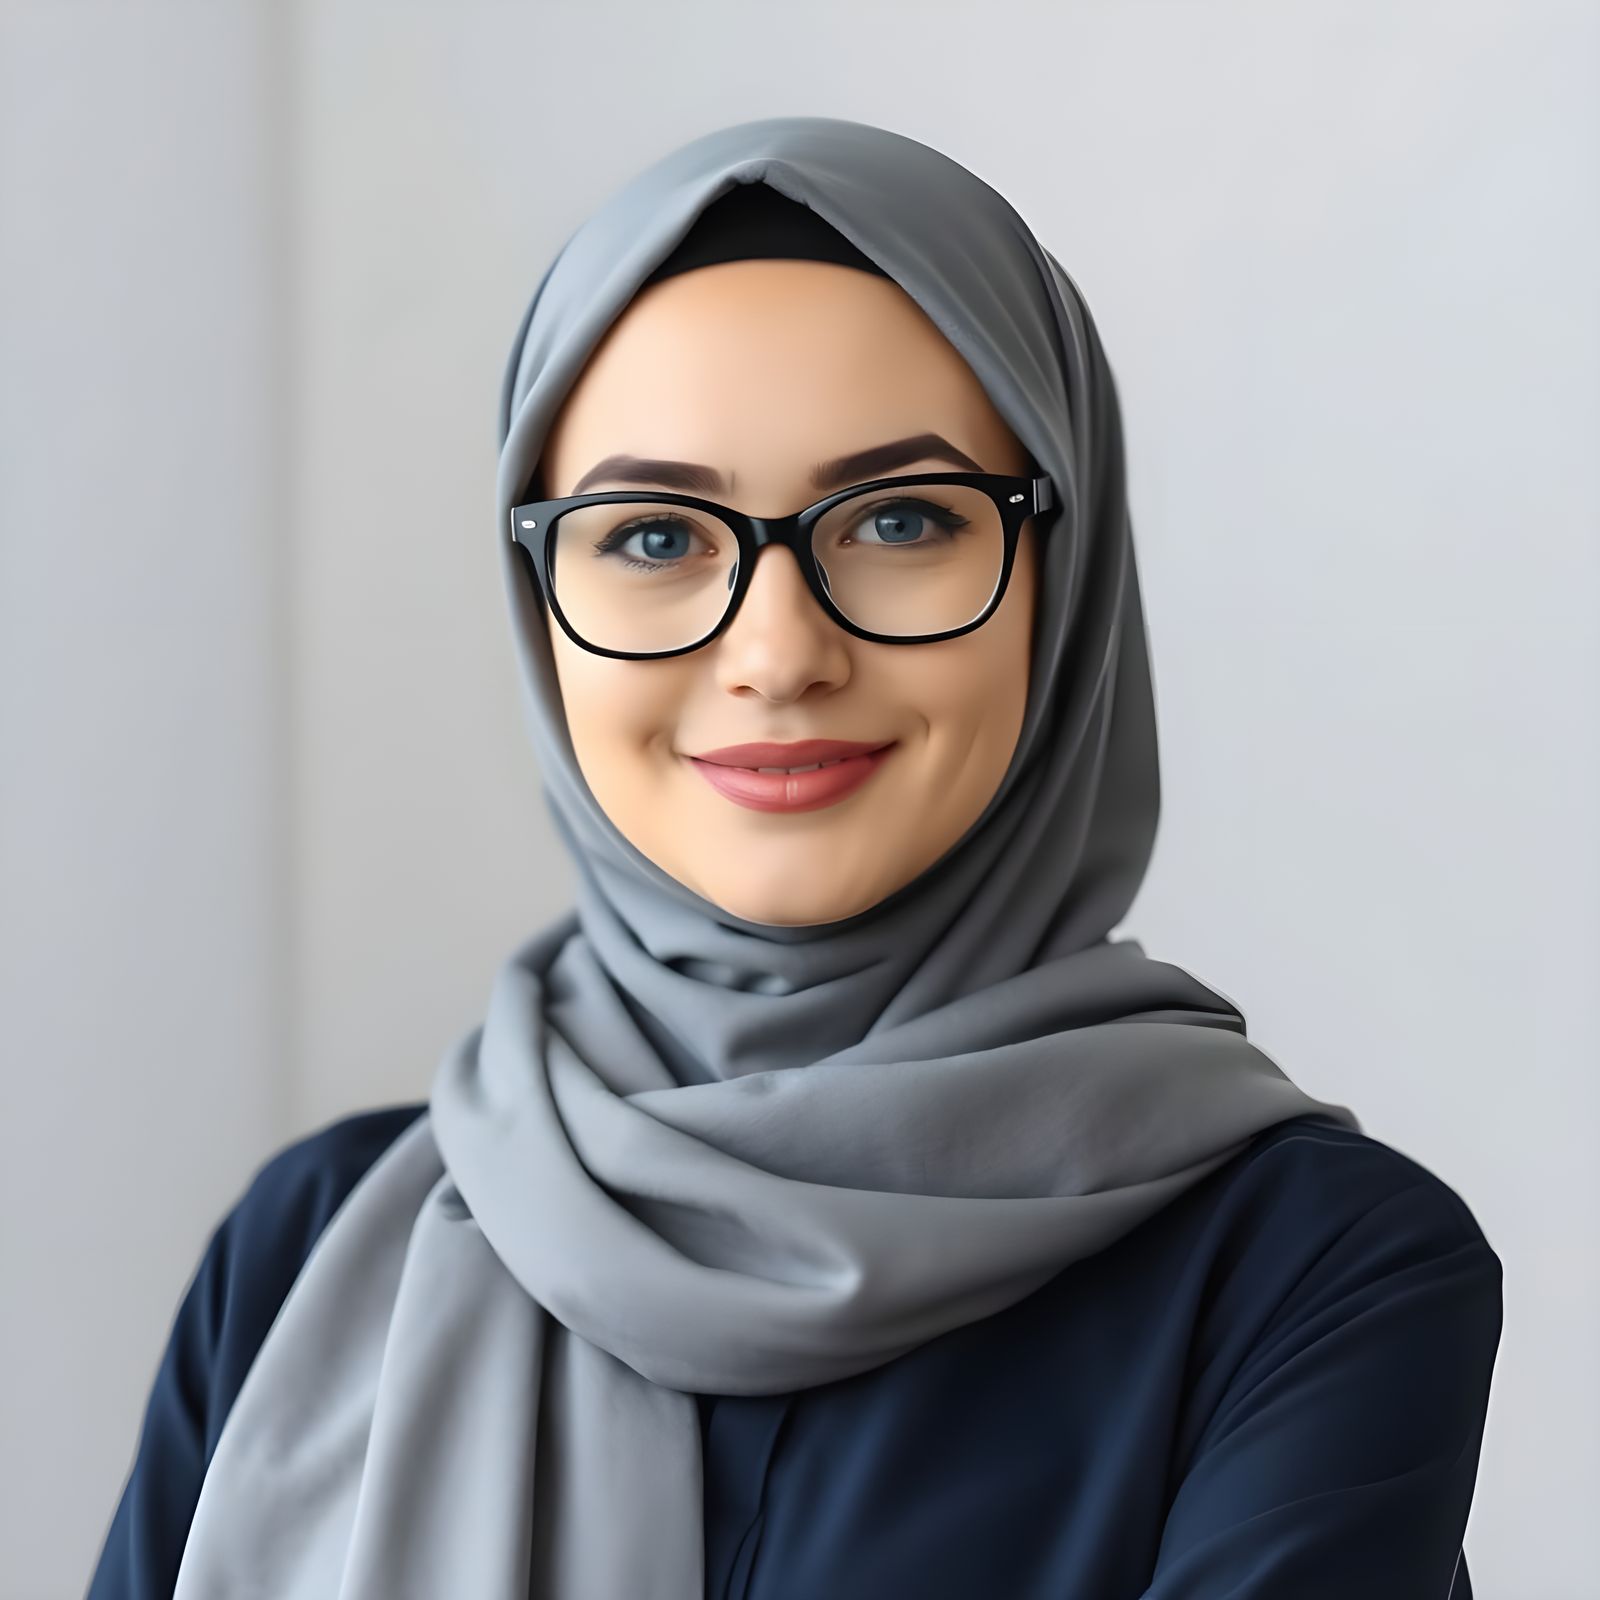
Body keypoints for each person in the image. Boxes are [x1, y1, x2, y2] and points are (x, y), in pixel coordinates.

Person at [87, 117, 1502, 1599]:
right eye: (650, 538)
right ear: (536, 598)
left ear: (1062, 580)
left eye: (901, 518)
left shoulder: (1312, 1276)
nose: (778, 653)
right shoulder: (306, 1251)